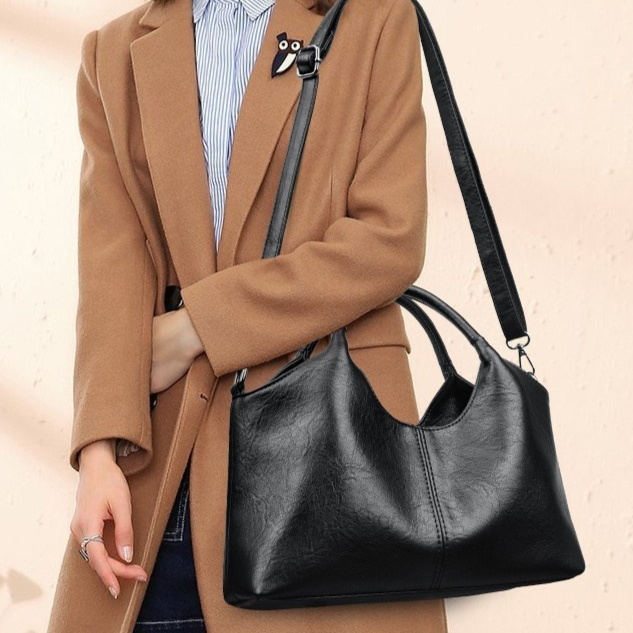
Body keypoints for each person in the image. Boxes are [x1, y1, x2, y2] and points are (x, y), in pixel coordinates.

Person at [47, 0, 449, 631]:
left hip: (332, 459)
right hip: (164, 469)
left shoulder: (373, 18)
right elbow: (111, 267)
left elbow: (388, 239)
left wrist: (196, 327)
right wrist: (97, 452)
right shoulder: (115, 51)